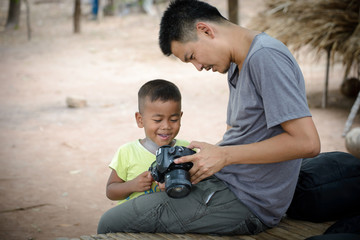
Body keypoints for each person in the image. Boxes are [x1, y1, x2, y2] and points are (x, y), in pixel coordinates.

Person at [98, 0, 321, 235]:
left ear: (205, 30)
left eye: (192, 55)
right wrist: (198, 168)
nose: (198, 67)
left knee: (110, 223)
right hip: (229, 183)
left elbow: (307, 143)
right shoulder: (238, 63)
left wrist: (224, 155)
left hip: (247, 202)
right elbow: (243, 137)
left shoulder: (265, 57)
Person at [105, 79, 189, 205]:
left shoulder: (186, 150)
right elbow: (111, 191)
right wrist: (132, 185)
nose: (166, 126)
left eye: (173, 119)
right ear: (140, 120)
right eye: (157, 120)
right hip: (135, 220)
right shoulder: (127, 152)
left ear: (180, 117)